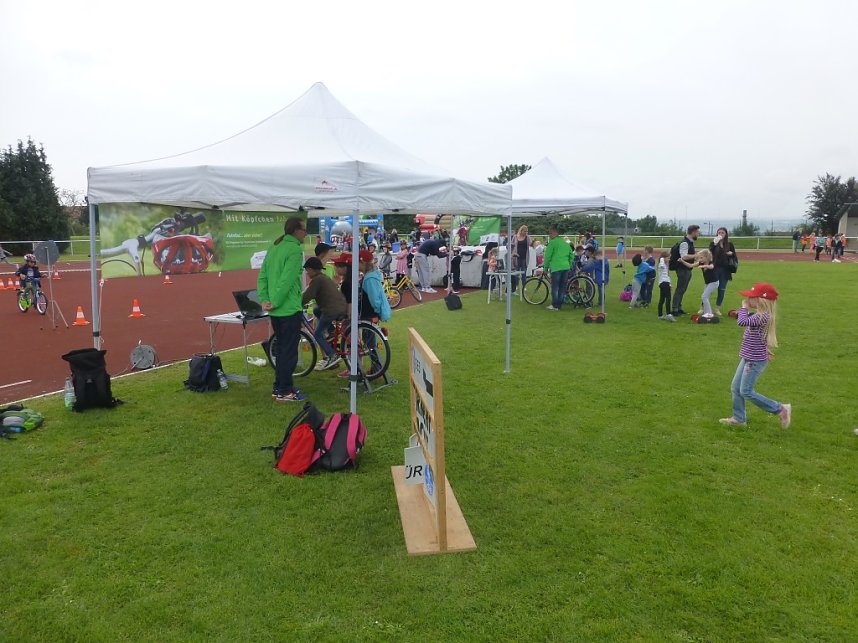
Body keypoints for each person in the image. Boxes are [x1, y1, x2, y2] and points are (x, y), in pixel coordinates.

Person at [719, 283, 791, 429]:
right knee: (735, 388)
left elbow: (742, 321)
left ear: (761, 300)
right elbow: (759, 336)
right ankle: (739, 419)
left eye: (750, 297)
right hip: (748, 356)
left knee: (746, 391)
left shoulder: (764, 316)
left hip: (754, 360)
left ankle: (780, 409)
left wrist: (744, 307)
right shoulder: (759, 315)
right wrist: (766, 349)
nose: (746, 299)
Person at [258, 217, 308, 402]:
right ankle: (285, 390)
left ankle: (279, 386)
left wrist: (265, 299)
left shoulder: (275, 247)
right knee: (288, 351)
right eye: (304, 229)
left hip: (276, 310)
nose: (306, 233)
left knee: (281, 349)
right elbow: (286, 281)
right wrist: (275, 301)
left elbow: (262, 276)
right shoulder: (295, 250)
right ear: (296, 230)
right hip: (287, 309)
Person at [301, 256, 348, 371]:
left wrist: (298, 303)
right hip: (341, 307)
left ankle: (332, 355)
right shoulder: (324, 277)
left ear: (312, 270)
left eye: (307, 270)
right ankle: (331, 330)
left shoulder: (316, 280)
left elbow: (307, 296)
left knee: (317, 334)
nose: (307, 273)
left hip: (331, 310)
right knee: (317, 310)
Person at [671, 224, 700, 317]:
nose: (698, 234)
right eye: (697, 232)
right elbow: (684, 256)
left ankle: (678, 307)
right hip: (682, 269)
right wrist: (695, 256)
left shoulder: (689, 242)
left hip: (686, 268)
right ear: (693, 232)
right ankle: (675, 309)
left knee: (683, 289)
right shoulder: (685, 243)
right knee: (680, 289)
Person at [542, 225, 573, 311]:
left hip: (556, 267)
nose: (549, 235)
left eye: (550, 233)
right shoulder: (565, 243)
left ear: (556, 233)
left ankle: (554, 305)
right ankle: (559, 305)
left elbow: (547, 256)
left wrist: (545, 268)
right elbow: (571, 255)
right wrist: (569, 264)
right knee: (562, 287)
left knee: (555, 287)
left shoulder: (552, 243)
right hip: (565, 267)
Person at [709, 227, 736, 316]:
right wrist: (714, 243)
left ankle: (717, 308)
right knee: (710, 288)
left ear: (726, 234)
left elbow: (734, 255)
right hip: (715, 268)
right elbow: (709, 252)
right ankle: (703, 306)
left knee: (721, 289)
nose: (720, 234)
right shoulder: (714, 243)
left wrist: (731, 254)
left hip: (725, 270)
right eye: (719, 232)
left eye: (722, 233)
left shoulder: (729, 244)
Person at [695, 248, 718, 318]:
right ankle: (706, 313)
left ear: (707, 257)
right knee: (705, 297)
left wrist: (704, 266)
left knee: (704, 296)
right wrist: (682, 261)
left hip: (714, 283)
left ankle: (709, 314)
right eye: (699, 258)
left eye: (701, 257)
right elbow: (690, 265)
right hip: (708, 283)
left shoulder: (711, 262)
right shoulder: (701, 263)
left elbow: (711, 267)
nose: (700, 259)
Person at [511, 225, 532, 294]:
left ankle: (524, 286)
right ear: (521, 230)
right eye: (525, 231)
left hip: (524, 258)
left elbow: (531, 244)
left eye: (527, 231)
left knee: (524, 273)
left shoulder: (528, 238)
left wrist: (534, 243)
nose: (526, 232)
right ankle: (515, 286)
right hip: (516, 258)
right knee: (516, 272)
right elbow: (511, 245)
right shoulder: (515, 237)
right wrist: (513, 251)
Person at [656, 251, 675, 322]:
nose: (669, 259)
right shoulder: (662, 265)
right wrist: (662, 259)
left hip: (664, 283)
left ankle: (660, 315)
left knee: (662, 299)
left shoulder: (666, 265)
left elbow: (667, 276)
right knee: (668, 298)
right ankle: (668, 314)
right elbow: (661, 265)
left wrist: (670, 284)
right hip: (664, 283)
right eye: (668, 258)